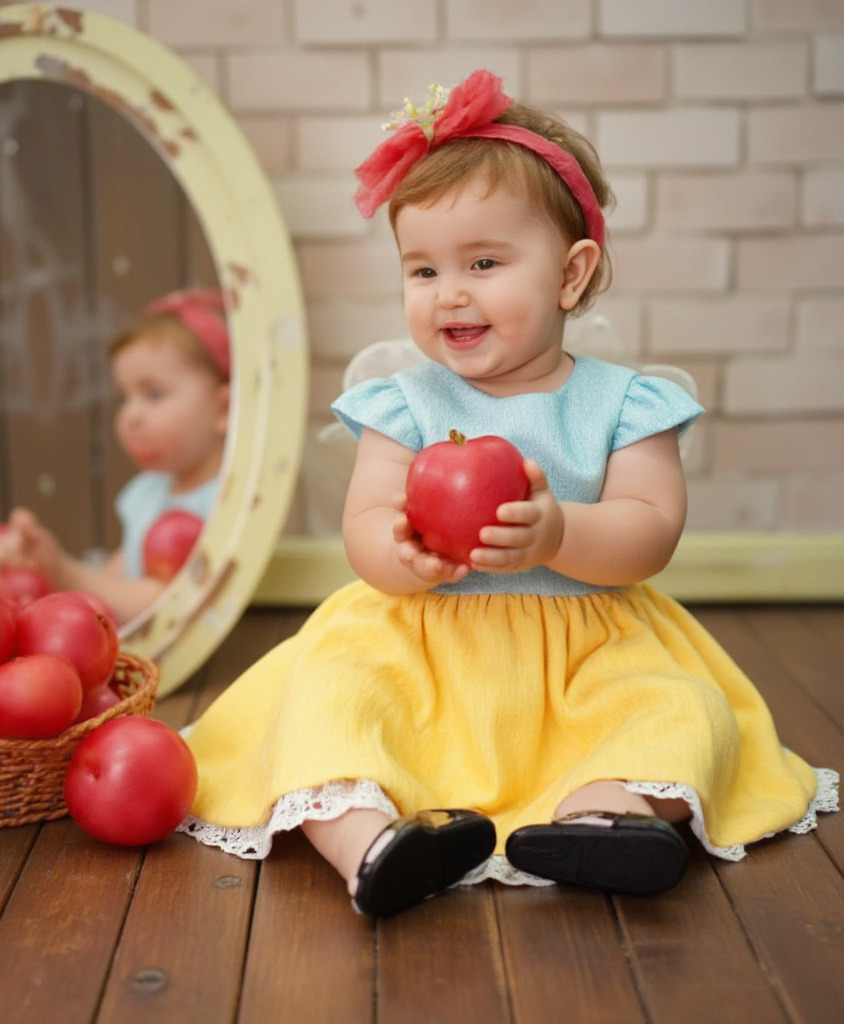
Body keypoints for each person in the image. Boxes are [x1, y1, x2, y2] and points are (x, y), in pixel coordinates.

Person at [176, 70, 838, 917]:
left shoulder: (624, 404)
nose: (448, 291)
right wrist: (401, 550)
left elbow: (651, 529)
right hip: (420, 643)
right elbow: (367, 523)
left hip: (587, 649)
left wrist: (558, 532)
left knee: (682, 710)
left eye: (483, 262)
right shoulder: (404, 403)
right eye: (422, 269)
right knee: (330, 700)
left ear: (571, 275)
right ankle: (371, 841)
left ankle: (607, 813)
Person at [0, 288, 230, 625]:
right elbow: (117, 576)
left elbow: (164, 605)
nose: (131, 417)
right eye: (124, 398)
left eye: (153, 394)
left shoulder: (226, 506)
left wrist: (65, 570)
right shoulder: (147, 493)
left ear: (223, 408)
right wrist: (41, 568)